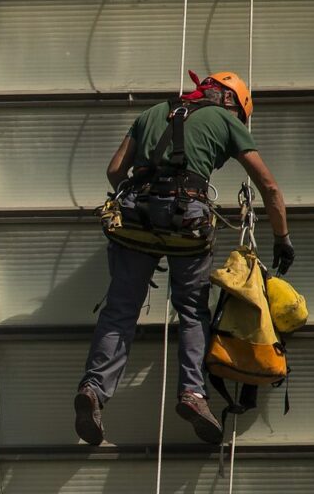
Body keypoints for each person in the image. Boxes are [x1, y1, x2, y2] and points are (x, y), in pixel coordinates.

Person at [74, 71, 294, 445]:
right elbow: (268, 185)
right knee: (192, 310)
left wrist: (145, 204)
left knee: (120, 309)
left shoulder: (152, 112)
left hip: (135, 217)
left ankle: (93, 390)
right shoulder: (225, 119)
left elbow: (115, 170)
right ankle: (192, 394)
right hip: (186, 220)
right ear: (231, 102)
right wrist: (282, 238)